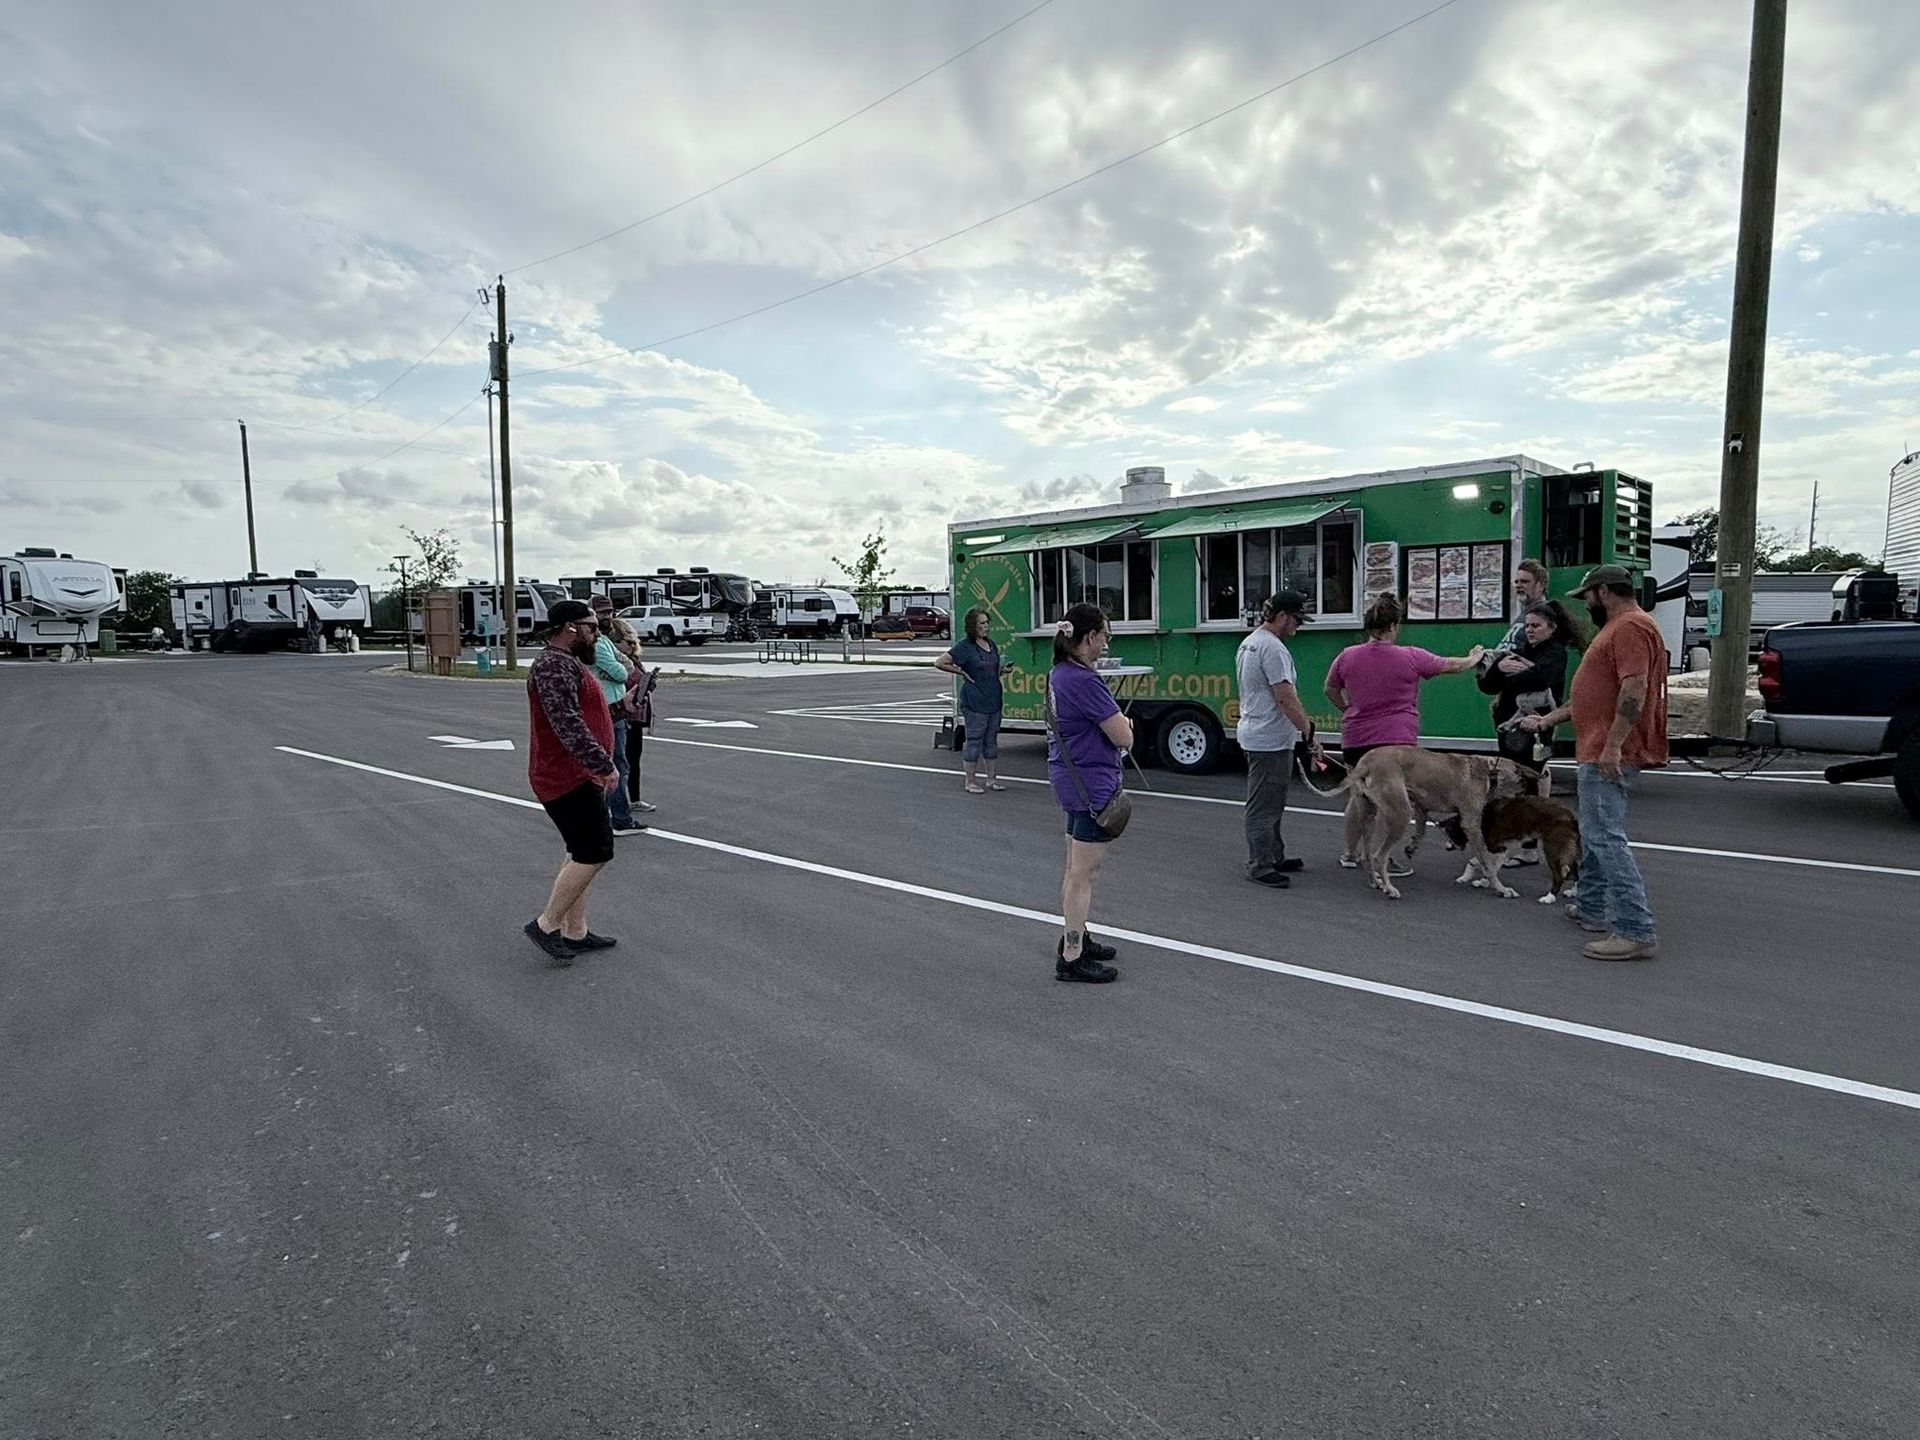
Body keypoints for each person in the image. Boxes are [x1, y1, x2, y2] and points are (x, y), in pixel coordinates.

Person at [1520, 564, 1669, 961]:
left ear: (1603, 592)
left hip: (1607, 750)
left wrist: (1614, 746)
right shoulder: (1624, 627)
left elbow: (1634, 688)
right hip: (1598, 745)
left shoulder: (1629, 628)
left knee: (1605, 837)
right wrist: (1548, 719)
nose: (1585, 604)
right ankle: (1591, 906)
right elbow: (1595, 696)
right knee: (1595, 831)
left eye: (1586, 596)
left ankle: (1635, 929)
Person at [1324, 594, 1485, 869]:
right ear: (1394, 625)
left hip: (1357, 738)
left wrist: (1349, 709)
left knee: (1359, 796)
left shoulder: (1347, 656)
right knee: (1393, 804)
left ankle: (1352, 854)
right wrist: (1475, 656)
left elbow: (1330, 688)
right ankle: (1385, 858)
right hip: (1395, 742)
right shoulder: (1410, 656)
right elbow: (1453, 665)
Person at [525, 600, 624, 965]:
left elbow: (585, 714)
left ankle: (575, 931)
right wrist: (603, 764)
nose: (598, 633)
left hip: (577, 772)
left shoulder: (565, 664)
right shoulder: (553, 666)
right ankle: (546, 925)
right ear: (570, 628)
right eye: (593, 627)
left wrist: (623, 707)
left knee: (578, 849)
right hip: (565, 775)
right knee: (595, 851)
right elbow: (565, 723)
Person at [1046, 604, 1131, 983]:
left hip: (1070, 777)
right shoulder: (1083, 680)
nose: (1106, 643)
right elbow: (1123, 735)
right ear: (1089, 638)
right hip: (1091, 782)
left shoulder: (1061, 673)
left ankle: (1075, 933)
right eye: (1104, 636)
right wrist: (1126, 723)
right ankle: (1073, 954)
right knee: (1085, 872)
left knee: (1073, 866)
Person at [1480, 599, 1580, 865]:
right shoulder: (1521, 649)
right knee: (1513, 784)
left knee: (1527, 785)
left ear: (1551, 628)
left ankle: (1527, 847)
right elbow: (1487, 684)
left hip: (1535, 730)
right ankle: (1517, 843)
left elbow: (1539, 678)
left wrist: (1511, 673)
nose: (1530, 630)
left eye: (1536, 625)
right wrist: (1500, 669)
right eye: (1527, 626)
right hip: (1509, 727)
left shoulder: (1556, 653)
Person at [1234, 590, 1322, 888]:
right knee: (1263, 805)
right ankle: (1260, 864)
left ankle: (1273, 854)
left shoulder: (1250, 643)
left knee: (1272, 802)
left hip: (1258, 732)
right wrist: (1308, 731)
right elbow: (1285, 697)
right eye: (1297, 619)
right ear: (1283, 616)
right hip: (1268, 738)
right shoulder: (1273, 649)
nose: (1299, 626)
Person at [935, 607, 1012, 793]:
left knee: (991, 740)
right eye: (982, 623)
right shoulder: (965, 647)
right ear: (973, 626)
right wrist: (961, 671)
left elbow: (990, 670)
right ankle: (970, 781)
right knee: (974, 739)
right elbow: (940, 662)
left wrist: (1002, 670)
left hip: (993, 699)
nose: (986, 627)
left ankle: (991, 779)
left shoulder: (991, 645)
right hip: (975, 701)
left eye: (987, 623)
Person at [588, 597, 646, 836]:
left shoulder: (604, 641)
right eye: (601, 613)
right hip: (609, 708)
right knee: (614, 764)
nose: (607, 616)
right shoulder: (599, 645)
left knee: (619, 762)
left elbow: (629, 666)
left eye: (610, 611)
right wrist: (619, 666)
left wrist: (621, 665)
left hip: (618, 707)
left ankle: (613, 814)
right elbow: (621, 672)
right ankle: (620, 818)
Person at [606, 607, 657, 813]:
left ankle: (633, 799)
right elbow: (622, 683)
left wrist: (648, 683)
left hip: (636, 714)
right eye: (628, 642)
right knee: (622, 761)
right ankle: (619, 805)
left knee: (632, 759)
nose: (633, 645)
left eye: (634, 641)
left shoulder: (633, 661)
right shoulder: (617, 663)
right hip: (623, 714)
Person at [1499, 559, 1551, 652]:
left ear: (1540, 586)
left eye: (1524, 581)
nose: (1518, 585)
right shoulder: (1525, 613)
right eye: (1516, 582)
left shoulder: (1545, 615)